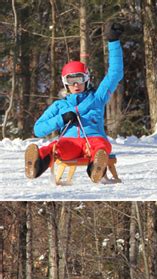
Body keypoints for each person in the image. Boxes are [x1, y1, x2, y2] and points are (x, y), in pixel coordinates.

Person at [24, 22, 124, 183]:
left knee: (100, 146)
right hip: (69, 143)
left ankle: (96, 169)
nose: (76, 85)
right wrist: (61, 119)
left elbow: (115, 74)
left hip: (93, 141)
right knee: (54, 147)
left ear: (87, 80)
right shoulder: (59, 106)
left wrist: (113, 42)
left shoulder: (97, 98)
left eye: (79, 79)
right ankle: (36, 165)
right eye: (71, 81)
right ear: (65, 84)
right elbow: (38, 129)